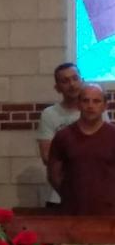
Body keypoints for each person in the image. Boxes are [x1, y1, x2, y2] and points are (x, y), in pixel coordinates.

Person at [48, 84, 115, 245]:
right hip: (71, 218)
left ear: (104, 105)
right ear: (79, 104)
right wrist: (71, 195)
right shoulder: (64, 137)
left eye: (96, 101)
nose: (90, 106)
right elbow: (54, 173)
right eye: (85, 100)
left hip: (108, 220)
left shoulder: (112, 135)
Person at [37, 63, 98, 208]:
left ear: (82, 80)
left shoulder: (95, 111)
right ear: (57, 87)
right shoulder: (49, 114)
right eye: (65, 81)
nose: (72, 84)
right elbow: (47, 156)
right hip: (58, 194)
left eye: (75, 78)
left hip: (94, 193)